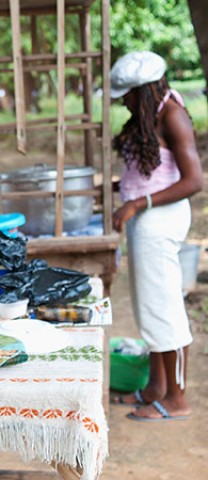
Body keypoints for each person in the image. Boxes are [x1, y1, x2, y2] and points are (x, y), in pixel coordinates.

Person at [109, 51, 202, 422]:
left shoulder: (173, 115)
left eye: (130, 95)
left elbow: (194, 181)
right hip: (147, 219)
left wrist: (136, 204)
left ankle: (177, 399)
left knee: (166, 310)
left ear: (146, 90)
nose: (126, 102)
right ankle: (155, 389)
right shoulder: (152, 115)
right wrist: (124, 189)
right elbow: (155, 171)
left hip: (160, 220)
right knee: (150, 308)